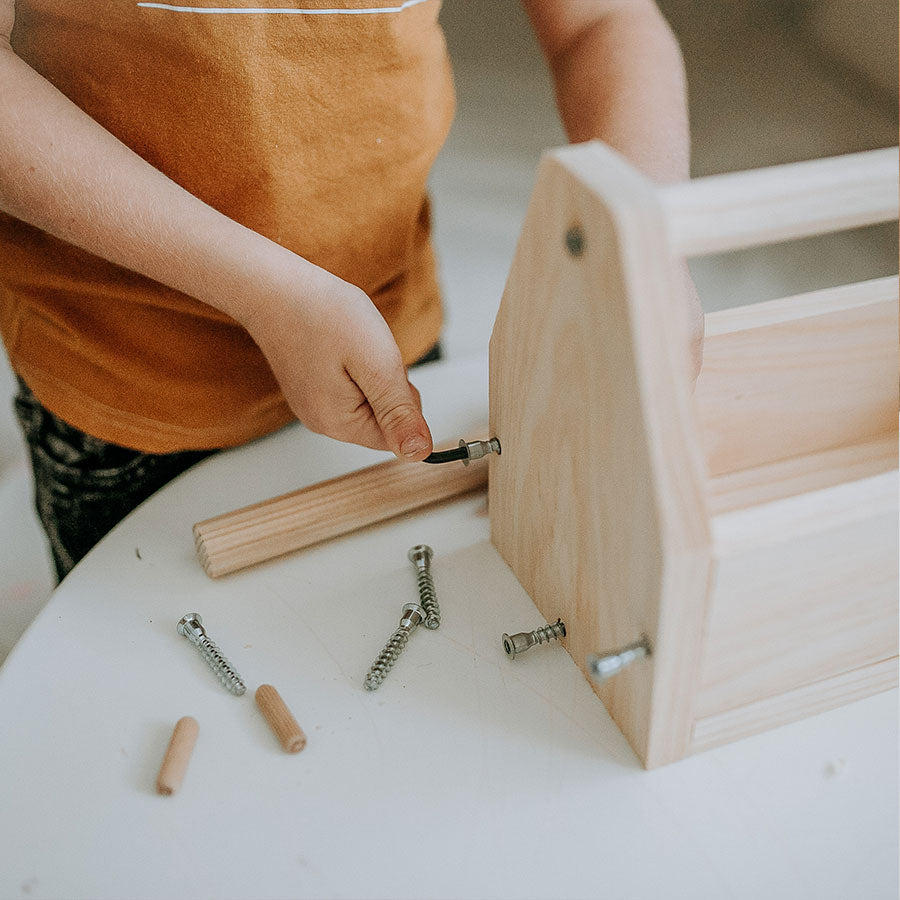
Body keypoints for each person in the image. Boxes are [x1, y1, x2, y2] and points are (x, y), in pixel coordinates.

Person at [0, 0, 701, 580]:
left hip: (391, 347)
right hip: (123, 387)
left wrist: (643, 240)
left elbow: (601, 22)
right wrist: (263, 290)